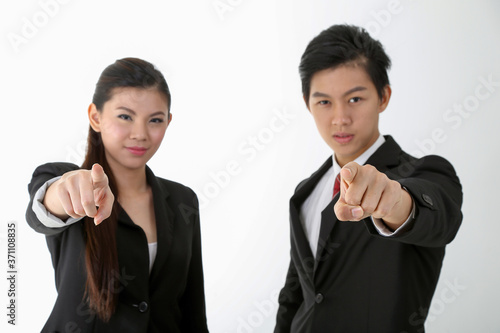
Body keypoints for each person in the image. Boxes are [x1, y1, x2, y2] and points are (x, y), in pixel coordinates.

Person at [274, 25, 463, 332]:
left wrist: (394, 202)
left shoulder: (425, 172)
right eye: (324, 102)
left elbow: (439, 216)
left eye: (355, 99)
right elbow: (294, 296)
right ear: (308, 103)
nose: (340, 118)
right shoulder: (306, 192)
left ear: (383, 97)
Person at [26, 58, 209, 332]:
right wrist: (68, 189)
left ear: (168, 122)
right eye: (125, 116)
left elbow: (193, 310)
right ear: (95, 117)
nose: (140, 134)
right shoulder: (66, 179)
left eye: (155, 120)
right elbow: (43, 210)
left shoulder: (183, 200)